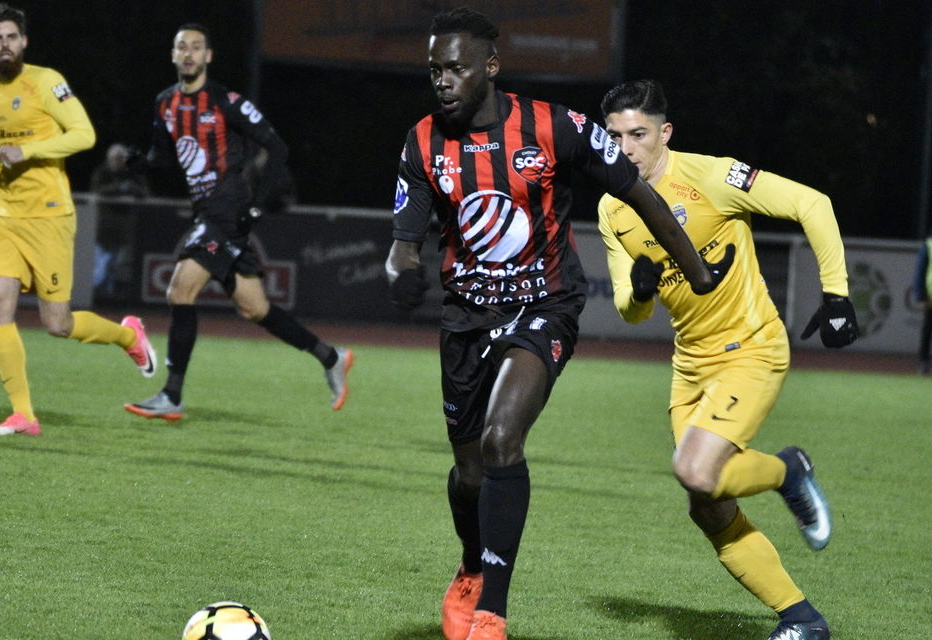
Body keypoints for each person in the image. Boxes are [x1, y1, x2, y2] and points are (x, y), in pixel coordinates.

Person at [386, 9, 734, 640]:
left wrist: (699, 271)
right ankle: (471, 563)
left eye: (456, 68)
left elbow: (640, 193)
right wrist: (401, 269)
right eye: (434, 69)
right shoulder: (421, 142)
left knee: (500, 441)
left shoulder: (554, 126)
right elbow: (405, 239)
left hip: (544, 305)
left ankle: (492, 609)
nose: (442, 81)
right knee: (468, 474)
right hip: (465, 317)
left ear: (490, 67)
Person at [597, 79, 857, 640]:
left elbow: (813, 203)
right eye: (615, 137)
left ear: (664, 133)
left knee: (695, 471)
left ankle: (789, 470)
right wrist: (640, 292)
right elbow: (630, 311)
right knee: (707, 506)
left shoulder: (710, 177)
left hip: (752, 348)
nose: (627, 149)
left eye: (638, 134)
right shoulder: (611, 208)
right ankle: (802, 619)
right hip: (690, 368)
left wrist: (835, 294)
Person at [0, 3, 156, 437]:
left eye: (12, 37)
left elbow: (84, 134)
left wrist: (29, 150)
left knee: (57, 324)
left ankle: (129, 337)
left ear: (24, 41)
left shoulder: (47, 81)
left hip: (49, 215)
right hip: (4, 214)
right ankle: (24, 414)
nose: (5, 45)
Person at [122, 23, 352, 421]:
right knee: (255, 309)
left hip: (227, 212)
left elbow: (277, 148)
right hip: (207, 213)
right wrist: (143, 163)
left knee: (180, 290)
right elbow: (164, 153)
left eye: (197, 47)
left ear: (208, 56)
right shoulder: (165, 103)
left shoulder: (227, 101)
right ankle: (330, 356)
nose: (189, 53)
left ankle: (172, 395)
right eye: (182, 47)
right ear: (173, 55)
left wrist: (259, 205)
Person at [89, 142, 149, 296]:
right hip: (102, 226)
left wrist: (132, 189)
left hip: (123, 227)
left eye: (121, 158)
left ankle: (109, 295)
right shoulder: (102, 172)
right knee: (102, 262)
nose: (119, 161)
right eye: (115, 158)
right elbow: (96, 191)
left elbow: (145, 192)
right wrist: (117, 188)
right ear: (109, 159)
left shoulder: (131, 173)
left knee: (116, 263)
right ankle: (97, 293)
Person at [916, 235, 931, 375]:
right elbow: (920, 272)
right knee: (927, 332)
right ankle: (924, 363)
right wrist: (921, 296)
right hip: (930, 299)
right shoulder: (929, 245)